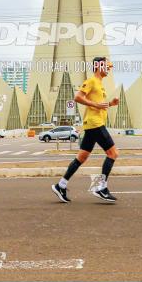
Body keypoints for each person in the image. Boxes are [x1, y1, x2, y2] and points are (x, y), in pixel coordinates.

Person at [51, 57, 119, 203]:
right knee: (113, 153)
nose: (109, 68)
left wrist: (110, 104)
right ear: (99, 66)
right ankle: (102, 187)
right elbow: (78, 97)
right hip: (95, 124)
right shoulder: (92, 81)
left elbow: (99, 105)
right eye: (107, 66)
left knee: (81, 157)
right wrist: (96, 104)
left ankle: (60, 185)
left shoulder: (100, 83)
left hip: (92, 124)